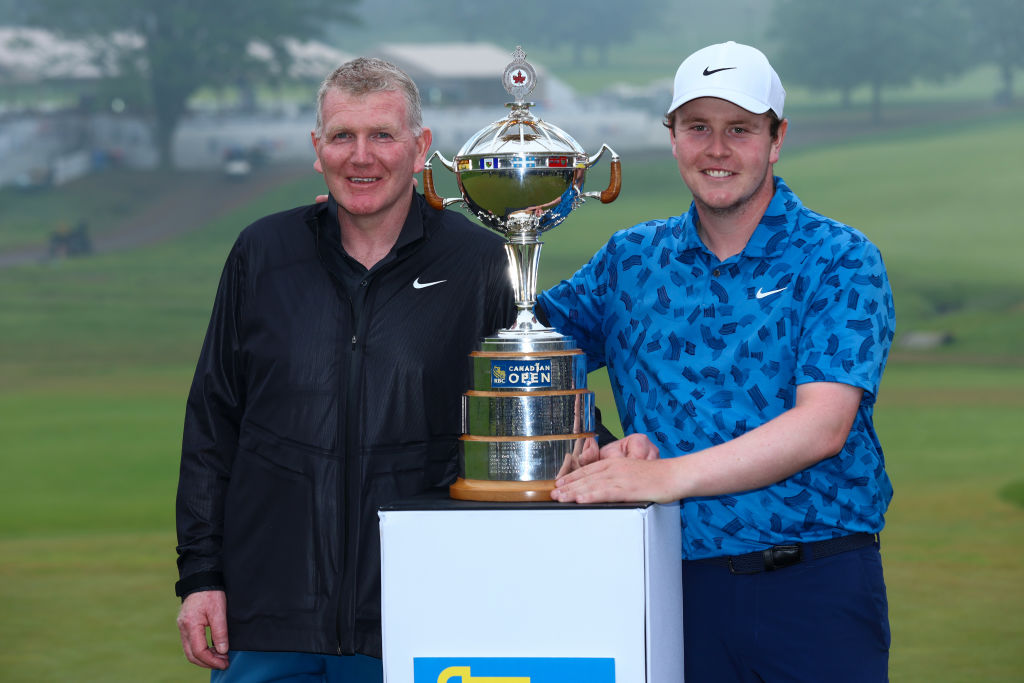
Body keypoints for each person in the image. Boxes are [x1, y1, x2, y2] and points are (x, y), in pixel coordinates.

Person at [541, 41, 896, 682]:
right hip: (669, 588)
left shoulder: (839, 257)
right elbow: (525, 353)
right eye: (698, 127)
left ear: (776, 138)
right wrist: (594, 441)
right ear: (672, 136)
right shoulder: (631, 260)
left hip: (816, 585)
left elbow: (823, 426)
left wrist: (664, 477)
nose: (717, 149)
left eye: (740, 129)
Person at [175, 58, 515, 681]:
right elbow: (212, 422)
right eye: (342, 136)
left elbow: (522, 412)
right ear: (317, 148)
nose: (362, 157)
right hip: (267, 614)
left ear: (420, 149)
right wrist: (200, 575)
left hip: (415, 614)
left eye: (382, 135)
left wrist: (598, 448)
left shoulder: (480, 262)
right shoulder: (263, 252)